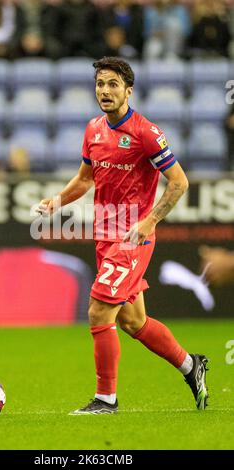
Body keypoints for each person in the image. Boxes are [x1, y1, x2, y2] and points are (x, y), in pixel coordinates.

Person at [37, 57, 209, 415]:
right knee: (133, 322)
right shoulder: (93, 129)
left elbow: (179, 182)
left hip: (132, 238)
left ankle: (106, 400)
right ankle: (192, 367)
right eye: (100, 83)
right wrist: (58, 200)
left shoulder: (147, 132)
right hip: (105, 236)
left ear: (128, 91)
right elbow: (86, 179)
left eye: (113, 84)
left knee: (100, 310)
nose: (105, 90)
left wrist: (150, 222)